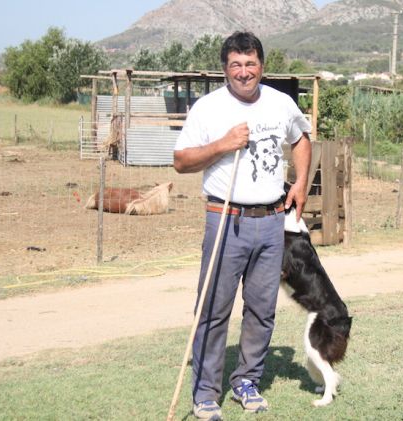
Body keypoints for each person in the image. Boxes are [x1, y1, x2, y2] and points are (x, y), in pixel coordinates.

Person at [173, 31, 312, 420]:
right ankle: (205, 392)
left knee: (262, 309)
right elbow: (181, 161)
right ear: (225, 69)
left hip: (270, 222)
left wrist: (300, 183)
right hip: (225, 218)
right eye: (236, 64)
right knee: (214, 310)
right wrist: (222, 144)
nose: (244, 71)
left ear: (261, 67)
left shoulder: (281, 103)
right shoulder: (208, 108)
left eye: (251, 64)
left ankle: (246, 379)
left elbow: (301, 139)